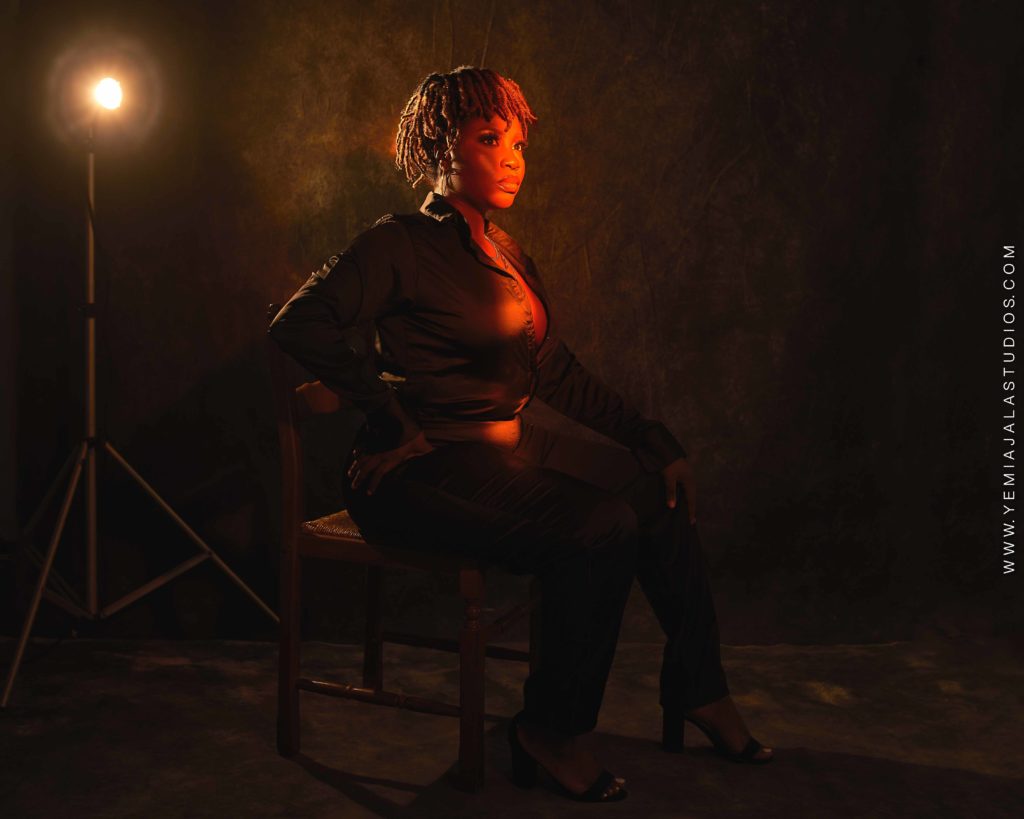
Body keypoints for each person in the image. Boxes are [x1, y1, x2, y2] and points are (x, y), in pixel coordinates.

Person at [268, 66, 773, 803]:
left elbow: (553, 370)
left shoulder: (505, 252)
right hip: (415, 472)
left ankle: (699, 688)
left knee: (652, 493)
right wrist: (387, 413)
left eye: (518, 144)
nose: (512, 159)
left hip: (503, 447)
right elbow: (297, 323)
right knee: (599, 527)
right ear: (442, 148)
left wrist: (649, 435)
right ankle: (549, 731)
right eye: (489, 139)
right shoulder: (399, 242)